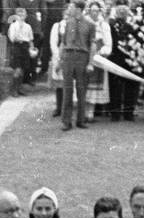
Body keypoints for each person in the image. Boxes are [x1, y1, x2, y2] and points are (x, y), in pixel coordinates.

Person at [57, 0, 95, 129]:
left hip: (82, 57)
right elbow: (63, 42)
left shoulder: (90, 24)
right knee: (67, 90)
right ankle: (66, 122)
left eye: (72, 7)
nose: (69, 9)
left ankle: (81, 120)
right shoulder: (68, 23)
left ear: (79, 9)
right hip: (68, 57)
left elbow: (92, 45)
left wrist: (90, 63)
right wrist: (59, 60)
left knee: (81, 90)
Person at [7, 6, 35, 94]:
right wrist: (18, 30)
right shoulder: (13, 25)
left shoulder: (28, 26)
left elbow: (30, 39)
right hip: (17, 47)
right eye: (19, 13)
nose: (21, 15)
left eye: (23, 13)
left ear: (26, 15)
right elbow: (12, 38)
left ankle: (19, 89)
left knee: (23, 70)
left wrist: (32, 48)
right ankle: (13, 90)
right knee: (17, 69)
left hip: (25, 47)